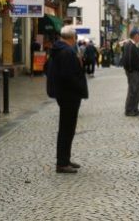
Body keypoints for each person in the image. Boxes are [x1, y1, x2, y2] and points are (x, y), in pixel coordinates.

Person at [46, 26, 88, 173]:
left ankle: (65, 159)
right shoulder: (67, 52)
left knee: (67, 129)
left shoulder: (59, 49)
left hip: (65, 94)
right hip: (69, 95)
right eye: (75, 38)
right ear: (72, 38)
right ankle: (62, 163)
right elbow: (68, 76)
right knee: (67, 129)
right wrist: (80, 88)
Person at [122, 28, 139, 116]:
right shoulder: (130, 45)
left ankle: (135, 108)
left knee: (136, 90)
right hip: (133, 72)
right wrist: (130, 70)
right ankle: (129, 110)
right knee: (133, 90)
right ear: (135, 36)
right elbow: (128, 59)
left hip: (136, 71)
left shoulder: (133, 45)